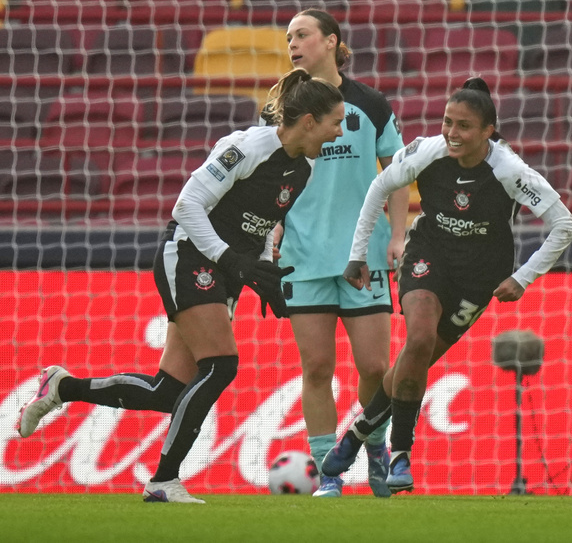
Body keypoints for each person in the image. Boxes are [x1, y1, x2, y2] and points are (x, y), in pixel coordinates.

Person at [17, 69, 346, 504]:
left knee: (168, 391)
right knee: (222, 365)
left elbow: (267, 220)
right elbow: (186, 205)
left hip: (226, 270)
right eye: (335, 122)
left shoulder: (304, 165)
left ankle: (61, 387)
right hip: (188, 256)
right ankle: (163, 481)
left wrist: (265, 272)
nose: (339, 131)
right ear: (308, 122)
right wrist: (232, 260)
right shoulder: (247, 147)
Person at [320, 77, 572, 494]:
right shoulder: (427, 151)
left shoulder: (510, 171)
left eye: (463, 126)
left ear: (487, 131)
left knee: (413, 362)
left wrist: (522, 277)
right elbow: (379, 186)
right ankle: (400, 455)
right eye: (447, 122)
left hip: (479, 277)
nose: (452, 133)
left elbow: (564, 225)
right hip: (429, 255)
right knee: (418, 339)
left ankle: (355, 434)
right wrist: (357, 253)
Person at [266, 9, 409, 498]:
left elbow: (396, 173)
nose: (293, 44)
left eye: (302, 34)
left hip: (361, 254)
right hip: (302, 256)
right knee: (317, 368)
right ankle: (329, 471)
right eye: (288, 37)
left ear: (331, 41)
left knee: (374, 368)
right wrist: (273, 229)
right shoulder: (280, 108)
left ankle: (373, 451)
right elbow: (270, 180)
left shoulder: (370, 104)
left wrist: (397, 235)